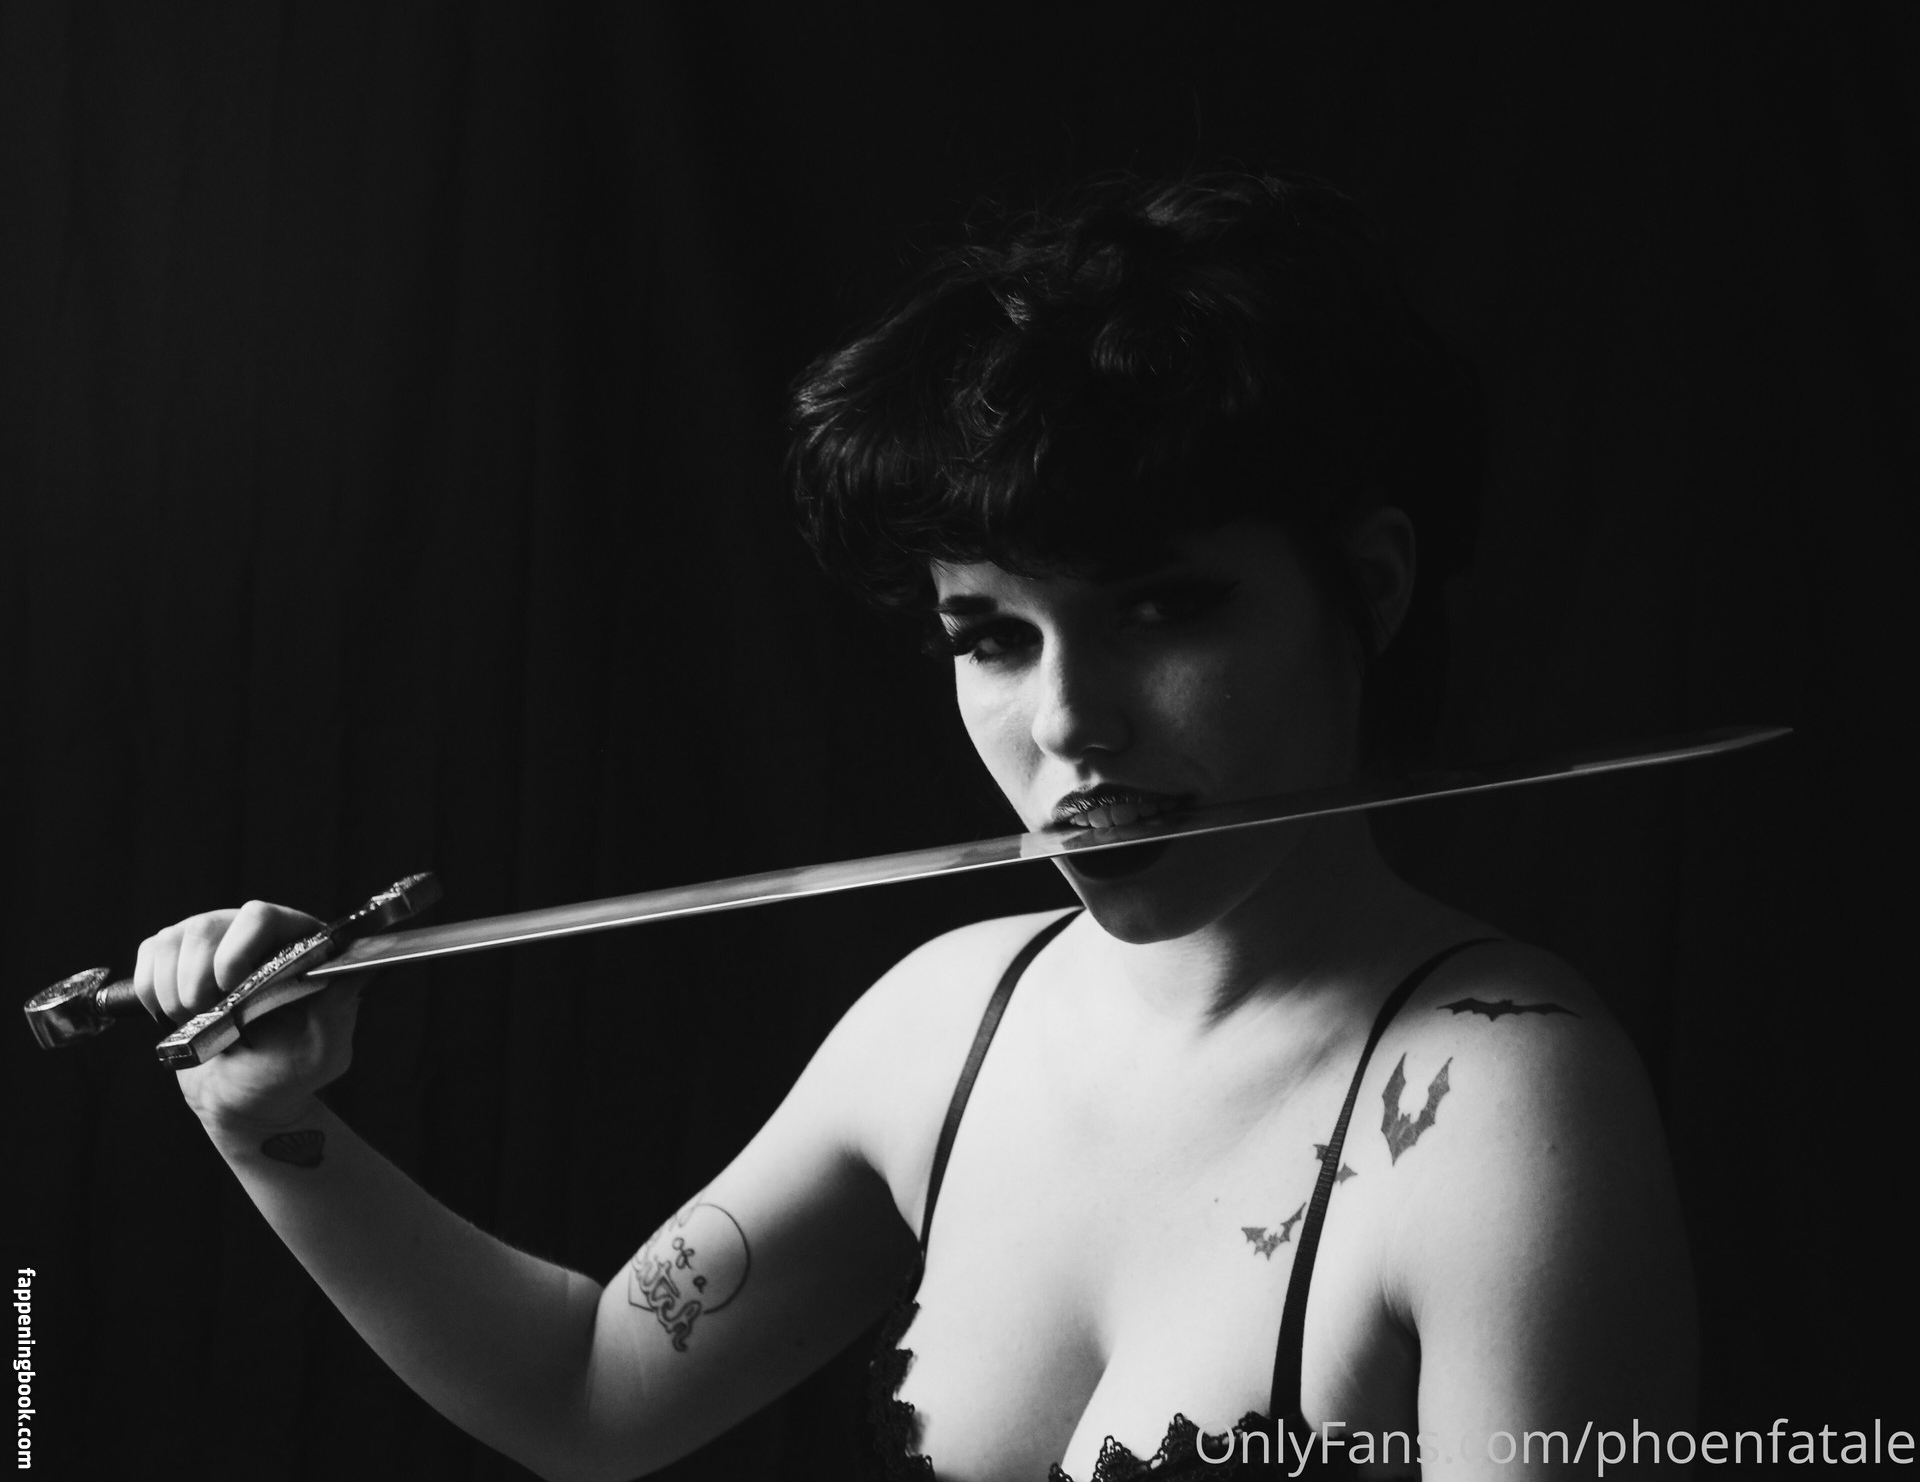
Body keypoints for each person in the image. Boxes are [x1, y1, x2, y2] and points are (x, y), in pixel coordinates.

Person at [134, 172, 1696, 1481]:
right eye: (994, 637)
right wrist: (274, 1131)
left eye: (1164, 608)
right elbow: (591, 1393)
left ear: (1369, 586)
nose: (1071, 724)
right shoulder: (948, 1021)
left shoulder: (1501, 1101)